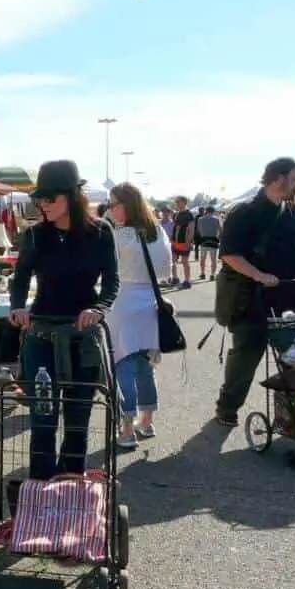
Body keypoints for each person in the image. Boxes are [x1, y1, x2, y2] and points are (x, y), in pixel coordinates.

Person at [9, 160, 119, 480]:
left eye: (50, 199)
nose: (43, 206)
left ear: (71, 196)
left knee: (76, 422)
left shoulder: (100, 231)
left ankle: (70, 491)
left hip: (82, 335)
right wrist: (18, 307)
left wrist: (99, 308)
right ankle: (41, 493)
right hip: (40, 334)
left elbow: (112, 281)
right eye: (39, 200)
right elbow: (19, 279)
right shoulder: (34, 235)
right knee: (42, 421)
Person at [215, 157, 295, 427]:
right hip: (252, 300)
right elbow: (230, 255)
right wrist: (259, 275)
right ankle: (228, 406)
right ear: (276, 179)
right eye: (294, 178)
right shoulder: (244, 213)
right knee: (246, 357)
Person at [107, 183, 171, 448]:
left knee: (124, 367)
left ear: (125, 205)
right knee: (146, 367)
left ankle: (126, 429)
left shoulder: (119, 236)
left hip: (124, 303)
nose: (110, 209)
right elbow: (167, 270)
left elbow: (107, 271)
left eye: (113, 204)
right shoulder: (157, 232)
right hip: (151, 304)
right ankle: (146, 421)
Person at [169, 196, 194, 289]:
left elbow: (191, 229)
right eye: (176, 202)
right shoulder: (176, 214)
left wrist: (189, 241)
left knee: (184, 261)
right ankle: (175, 278)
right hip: (174, 242)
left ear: (184, 202)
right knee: (173, 261)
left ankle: (187, 281)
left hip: (184, 242)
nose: (177, 204)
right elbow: (174, 227)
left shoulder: (189, 214)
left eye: (178, 202)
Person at [196, 206, 221, 281]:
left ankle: (202, 273)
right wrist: (217, 236)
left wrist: (203, 234)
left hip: (204, 240)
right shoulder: (216, 219)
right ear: (213, 211)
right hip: (213, 239)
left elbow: (199, 230)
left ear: (206, 211)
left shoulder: (200, 219)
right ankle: (212, 275)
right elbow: (220, 230)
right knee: (213, 259)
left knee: (203, 258)